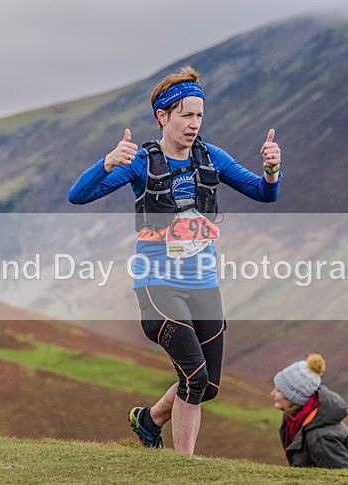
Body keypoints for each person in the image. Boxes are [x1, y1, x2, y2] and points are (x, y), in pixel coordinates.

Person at [69, 66, 281, 454]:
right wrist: (108, 163)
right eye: (186, 115)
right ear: (163, 116)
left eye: (199, 115)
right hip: (158, 285)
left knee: (208, 385)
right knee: (194, 377)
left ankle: (149, 420)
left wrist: (271, 169)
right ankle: (183, 466)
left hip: (203, 283)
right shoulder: (141, 162)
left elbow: (265, 194)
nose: (194, 124)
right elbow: (78, 196)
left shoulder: (212, 158)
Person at [271, 353, 348, 468]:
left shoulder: (320, 437)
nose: (272, 393)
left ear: (294, 398)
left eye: (279, 391)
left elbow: (341, 476)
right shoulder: (293, 420)